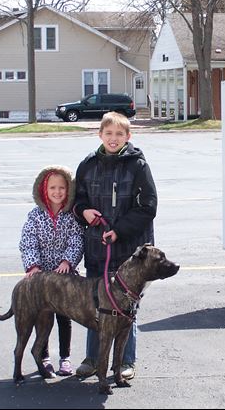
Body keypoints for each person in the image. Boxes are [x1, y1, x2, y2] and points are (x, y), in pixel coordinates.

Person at [72, 111, 158, 381]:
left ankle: (124, 361)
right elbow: (78, 201)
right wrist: (83, 211)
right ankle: (92, 359)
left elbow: (148, 207)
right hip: (98, 249)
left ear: (128, 136)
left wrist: (119, 231)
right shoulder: (87, 165)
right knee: (95, 304)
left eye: (119, 134)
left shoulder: (138, 165)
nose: (113, 138)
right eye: (108, 133)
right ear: (100, 135)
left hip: (129, 254)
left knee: (125, 308)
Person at [19, 165, 84, 377]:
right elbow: (28, 242)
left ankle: (65, 357)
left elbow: (76, 240)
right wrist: (33, 266)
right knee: (42, 318)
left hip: (63, 279)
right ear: (43, 190)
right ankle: (44, 356)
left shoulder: (71, 216)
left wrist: (67, 261)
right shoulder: (35, 216)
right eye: (52, 188)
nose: (57, 192)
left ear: (68, 190)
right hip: (42, 280)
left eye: (62, 188)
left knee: (64, 318)